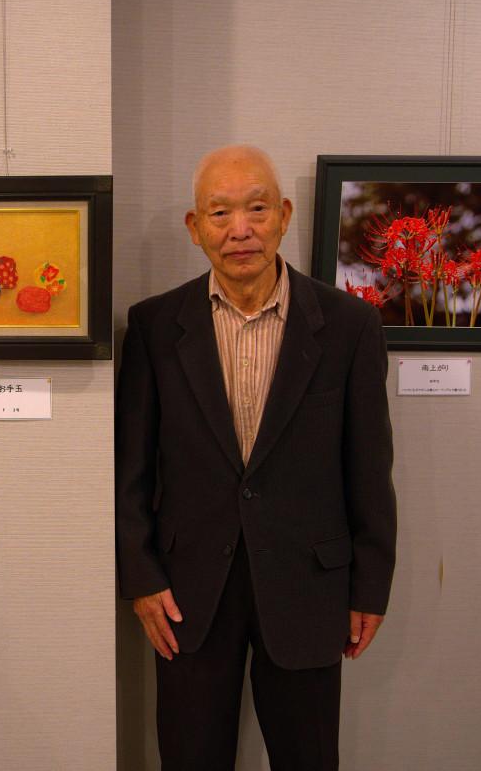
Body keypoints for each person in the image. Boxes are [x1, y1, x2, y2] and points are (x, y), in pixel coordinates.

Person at [115, 146, 397, 770]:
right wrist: (141, 576)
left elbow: (370, 468)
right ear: (195, 227)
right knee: (189, 757)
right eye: (219, 212)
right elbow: (130, 467)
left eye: (257, 208)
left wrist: (370, 585)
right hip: (186, 591)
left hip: (311, 584)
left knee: (309, 758)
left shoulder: (350, 326)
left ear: (285, 216)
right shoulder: (157, 327)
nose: (239, 229)